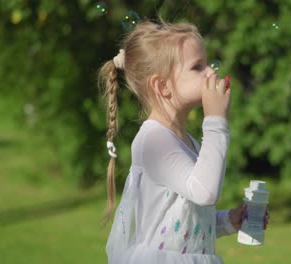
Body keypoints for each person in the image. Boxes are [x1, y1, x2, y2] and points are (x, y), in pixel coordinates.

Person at [97, 20, 268, 264]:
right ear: (163, 86)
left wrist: (229, 220)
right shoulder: (154, 140)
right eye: (197, 67)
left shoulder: (187, 141)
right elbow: (205, 192)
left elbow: (187, 222)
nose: (211, 72)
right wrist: (216, 120)